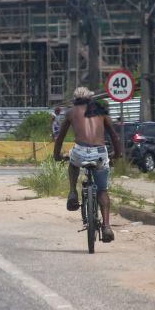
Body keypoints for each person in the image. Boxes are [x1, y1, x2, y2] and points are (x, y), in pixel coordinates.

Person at [53, 86, 122, 243]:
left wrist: (56, 156)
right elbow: (114, 135)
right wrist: (117, 154)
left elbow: (60, 138)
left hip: (80, 151)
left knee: (73, 162)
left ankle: (72, 192)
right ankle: (106, 227)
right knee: (102, 190)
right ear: (90, 98)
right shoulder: (100, 110)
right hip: (99, 152)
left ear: (75, 99)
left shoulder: (71, 112)